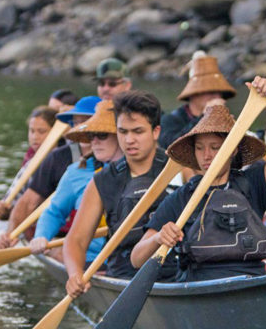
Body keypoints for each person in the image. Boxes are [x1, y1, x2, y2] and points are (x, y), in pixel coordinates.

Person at [130, 76, 266, 282]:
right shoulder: (182, 197)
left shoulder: (253, 184)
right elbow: (137, 259)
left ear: (232, 149)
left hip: (250, 283)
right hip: (199, 287)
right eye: (200, 148)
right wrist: (158, 238)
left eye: (215, 147)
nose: (207, 155)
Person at [58, 89, 177, 297]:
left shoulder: (178, 168)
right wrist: (75, 274)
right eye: (123, 132)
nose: (129, 140)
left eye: (138, 132)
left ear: (156, 131)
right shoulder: (102, 181)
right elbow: (75, 240)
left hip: (175, 274)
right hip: (124, 277)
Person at [0, 96, 99, 249]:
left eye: (85, 122)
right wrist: (11, 235)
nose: (80, 129)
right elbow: (30, 202)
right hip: (65, 237)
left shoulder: (120, 160)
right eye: (76, 123)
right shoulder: (60, 160)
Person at [26, 101, 123, 262]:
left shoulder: (138, 169)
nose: (95, 142)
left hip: (128, 261)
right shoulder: (76, 172)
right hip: (89, 259)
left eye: (102, 135)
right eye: (92, 135)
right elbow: (54, 212)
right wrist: (41, 236)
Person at [0, 106, 58, 220]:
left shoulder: (66, 159)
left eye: (41, 131)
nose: (35, 137)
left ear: (55, 132)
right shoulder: (30, 165)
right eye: (31, 131)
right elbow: (10, 203)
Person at [159, 52, 237, 149]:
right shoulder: (170, 121)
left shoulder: (225, 120)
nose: (216, 97)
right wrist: (205, 117)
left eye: (219, 92)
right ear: (194, 94)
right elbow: (171, 146)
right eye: (210, 91)